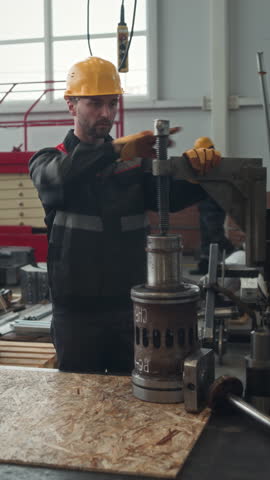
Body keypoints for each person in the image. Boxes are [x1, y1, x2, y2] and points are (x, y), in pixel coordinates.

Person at [29, 56, 221, 374]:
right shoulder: (49, 160)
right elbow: (62, 179)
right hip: (77, 315)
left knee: (131, 399)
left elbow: (170, 198)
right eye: (94, 103)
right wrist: (116, 149)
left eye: (112, 103)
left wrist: (204, 173)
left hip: (131, 310)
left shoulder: (133, 165)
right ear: (71, 105)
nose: (106, 114)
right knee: (79, 399)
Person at [189, 137, 234, 275]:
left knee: (215, 234)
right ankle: (205, 266)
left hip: (214, 203)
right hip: (206, 202)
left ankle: (235, 253)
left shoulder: (215, 162)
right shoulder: (206, 162)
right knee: (206, 235)